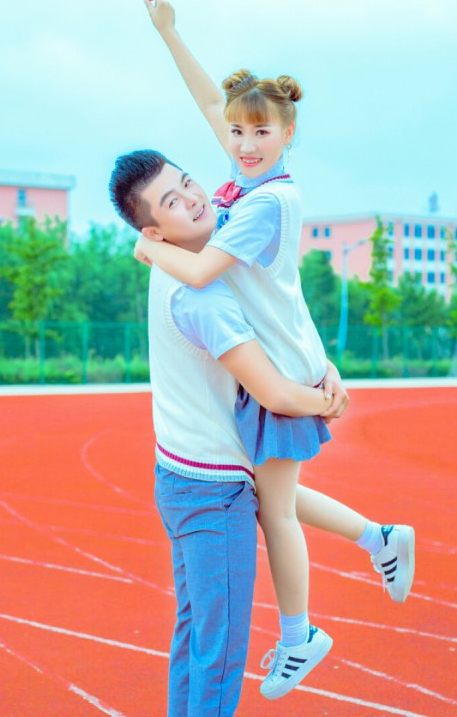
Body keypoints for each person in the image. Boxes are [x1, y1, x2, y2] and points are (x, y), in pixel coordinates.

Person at [135, 0, 416, 702]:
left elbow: (202, 270)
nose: (243, 142)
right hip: (291, 351)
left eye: (260, 132)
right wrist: (169, 33)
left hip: (284, 369)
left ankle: (299, 636)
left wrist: (147, 247)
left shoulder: (267, 203)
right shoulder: (242, 178)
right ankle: (380, 539)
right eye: (238, 132)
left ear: (288, 133)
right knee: (271, 493)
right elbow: (211, 102)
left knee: (274, 510)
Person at [110, 149, 349, 717]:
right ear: (153, 230)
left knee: (196, 637)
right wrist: (330, 400)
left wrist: (321, 363)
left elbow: (222, 125)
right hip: (213, 491)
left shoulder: (175, 259)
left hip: (178, 477)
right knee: (217, 655)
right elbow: (275, 394)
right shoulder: (202, 296)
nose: (195, 199)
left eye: (188, 182)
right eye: (173, 201)